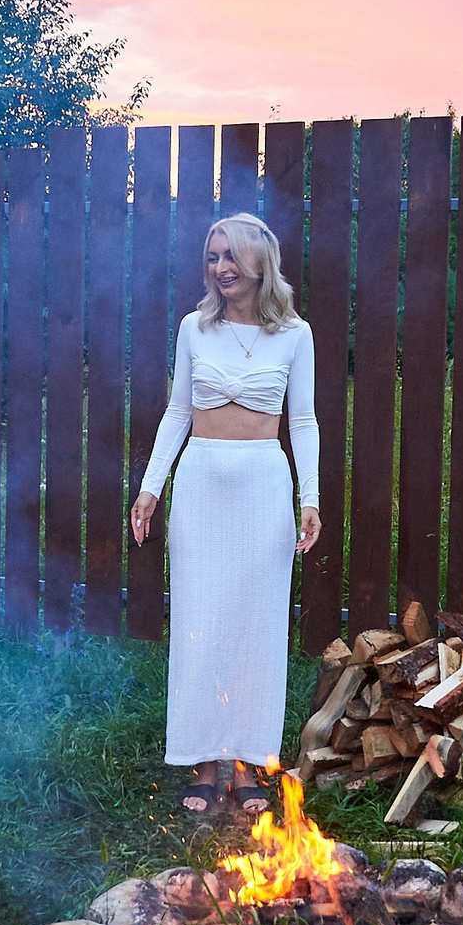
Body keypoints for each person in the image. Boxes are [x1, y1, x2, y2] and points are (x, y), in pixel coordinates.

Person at [130, 213, 323, 816]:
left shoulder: (295, 334)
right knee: (201, 619)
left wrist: (309, 499)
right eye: (213, 257)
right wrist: (150, 488)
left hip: (265, 486)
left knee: (257, 624)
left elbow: (302, 422)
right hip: (201, 485)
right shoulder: (194, 327)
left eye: (232, 257)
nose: (221, 268)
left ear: (261, 262)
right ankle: (204, 760)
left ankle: (246, 763)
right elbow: (177, 412)